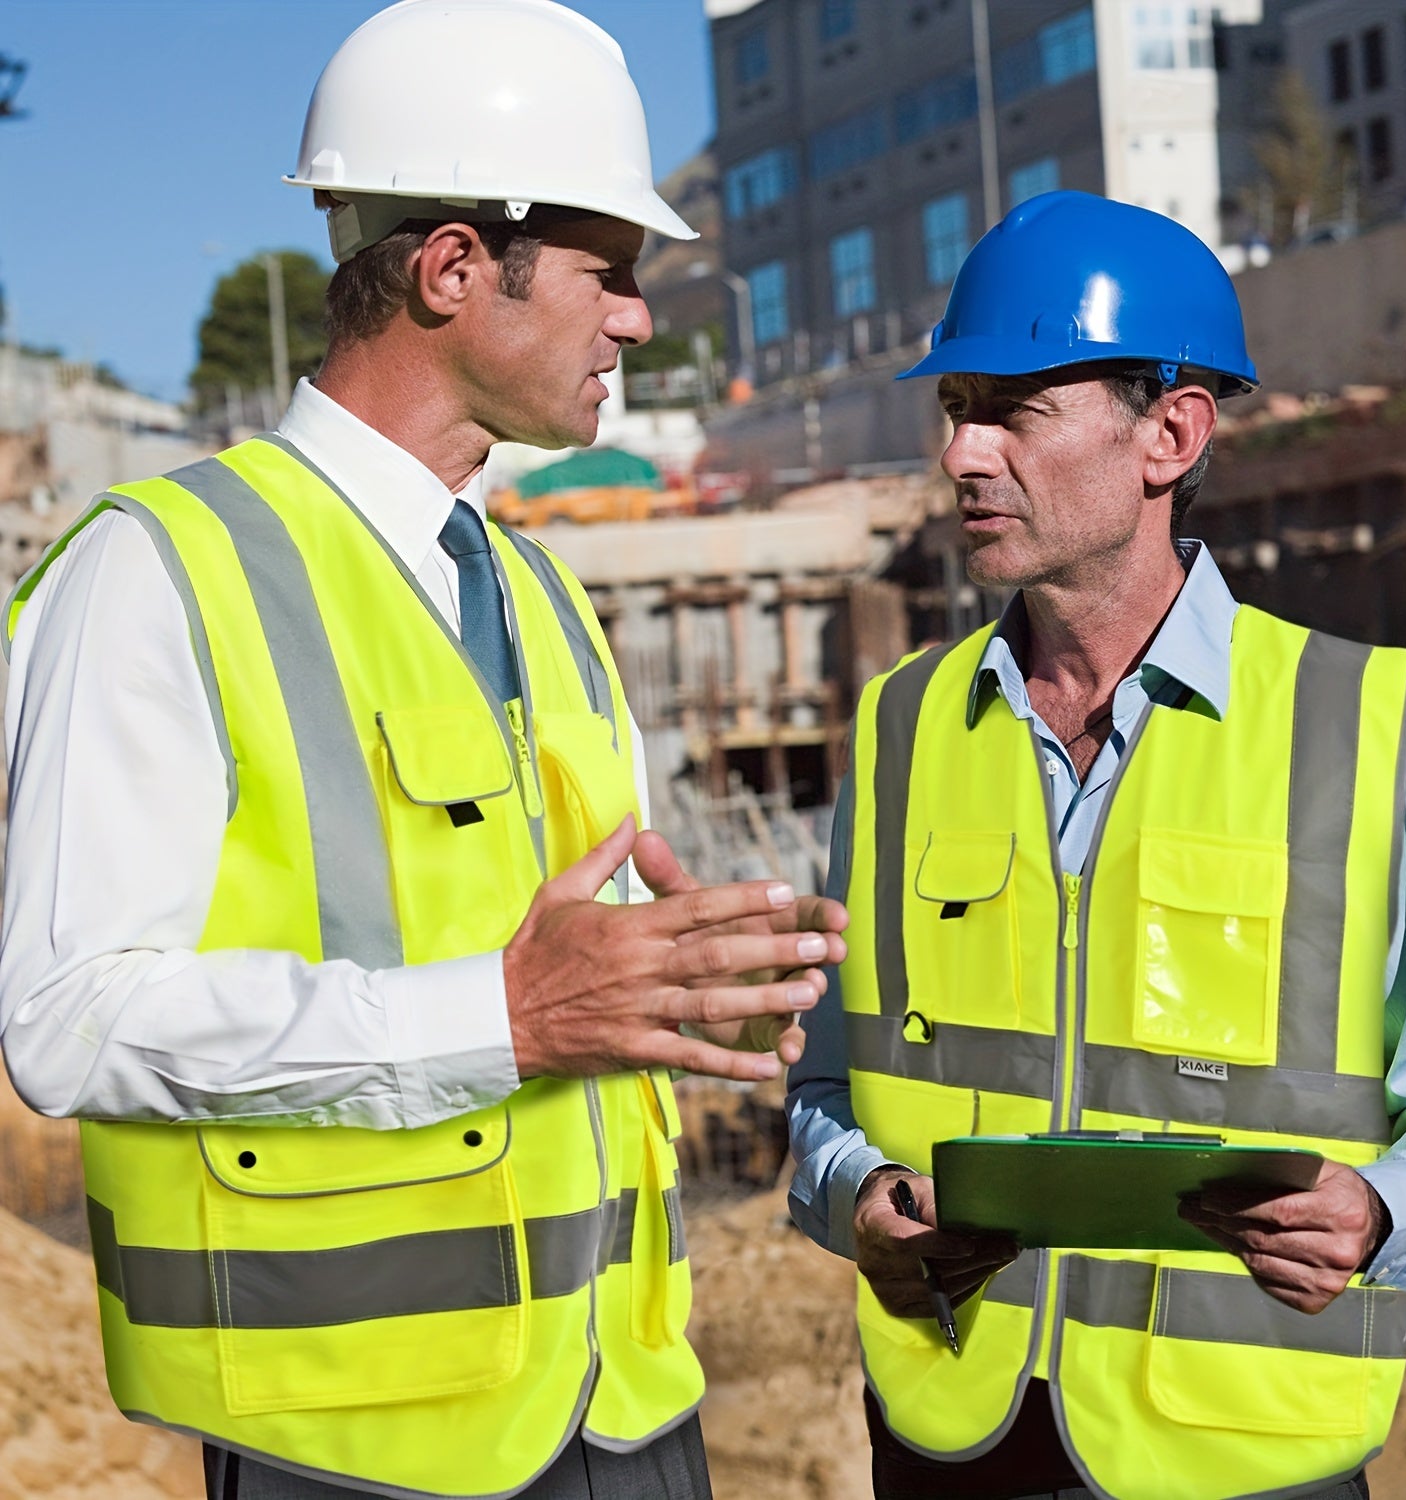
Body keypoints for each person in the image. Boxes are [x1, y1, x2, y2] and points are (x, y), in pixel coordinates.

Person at [0, 4, 846, 1498]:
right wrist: (500, 1016)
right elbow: (69, 1019)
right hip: (351, 1439)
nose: (639, 321)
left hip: (629, 1408)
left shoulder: (542, 593)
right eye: (608, 271)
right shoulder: (158, 571)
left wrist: (690, 988)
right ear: (454, 269)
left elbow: (575, 965)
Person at [785, 190, 1406, 1500]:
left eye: (1015, 410)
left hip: (1245, 1451)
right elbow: (830, 1085)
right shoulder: (898, 731)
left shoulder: (1355, 723)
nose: (962, 455)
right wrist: (855, 1198)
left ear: (1172, 434)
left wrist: (1385, 1212)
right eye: (955, 409)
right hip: (958, 1441)